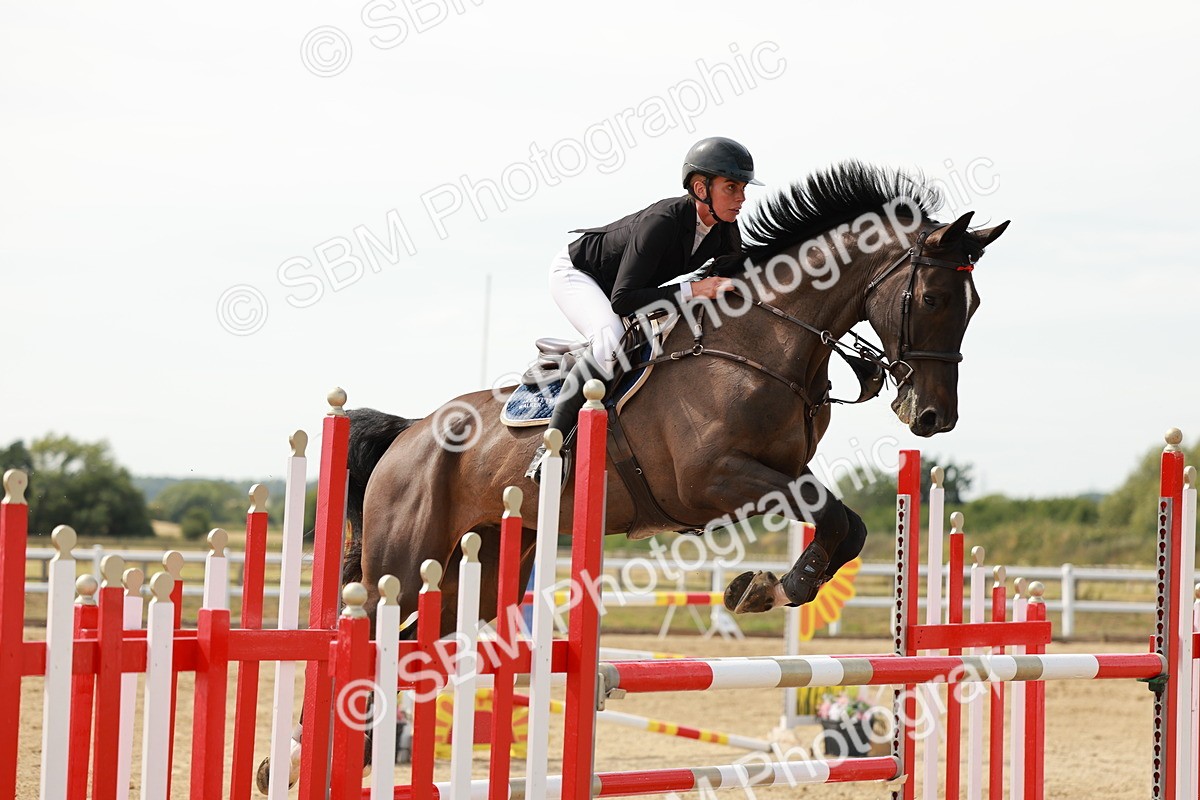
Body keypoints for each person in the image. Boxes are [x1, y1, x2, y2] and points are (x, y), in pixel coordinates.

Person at [526, 136, 761, 482]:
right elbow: (623, 300)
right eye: (732, 187)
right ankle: (550, 450)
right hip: (579, 275)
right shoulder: (663, 222)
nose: (741, 198)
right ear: (700, 188)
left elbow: (734, 279)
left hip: (630, 287)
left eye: (743, 188)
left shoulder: (725, 230)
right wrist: (693, 289)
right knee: (610, 339)